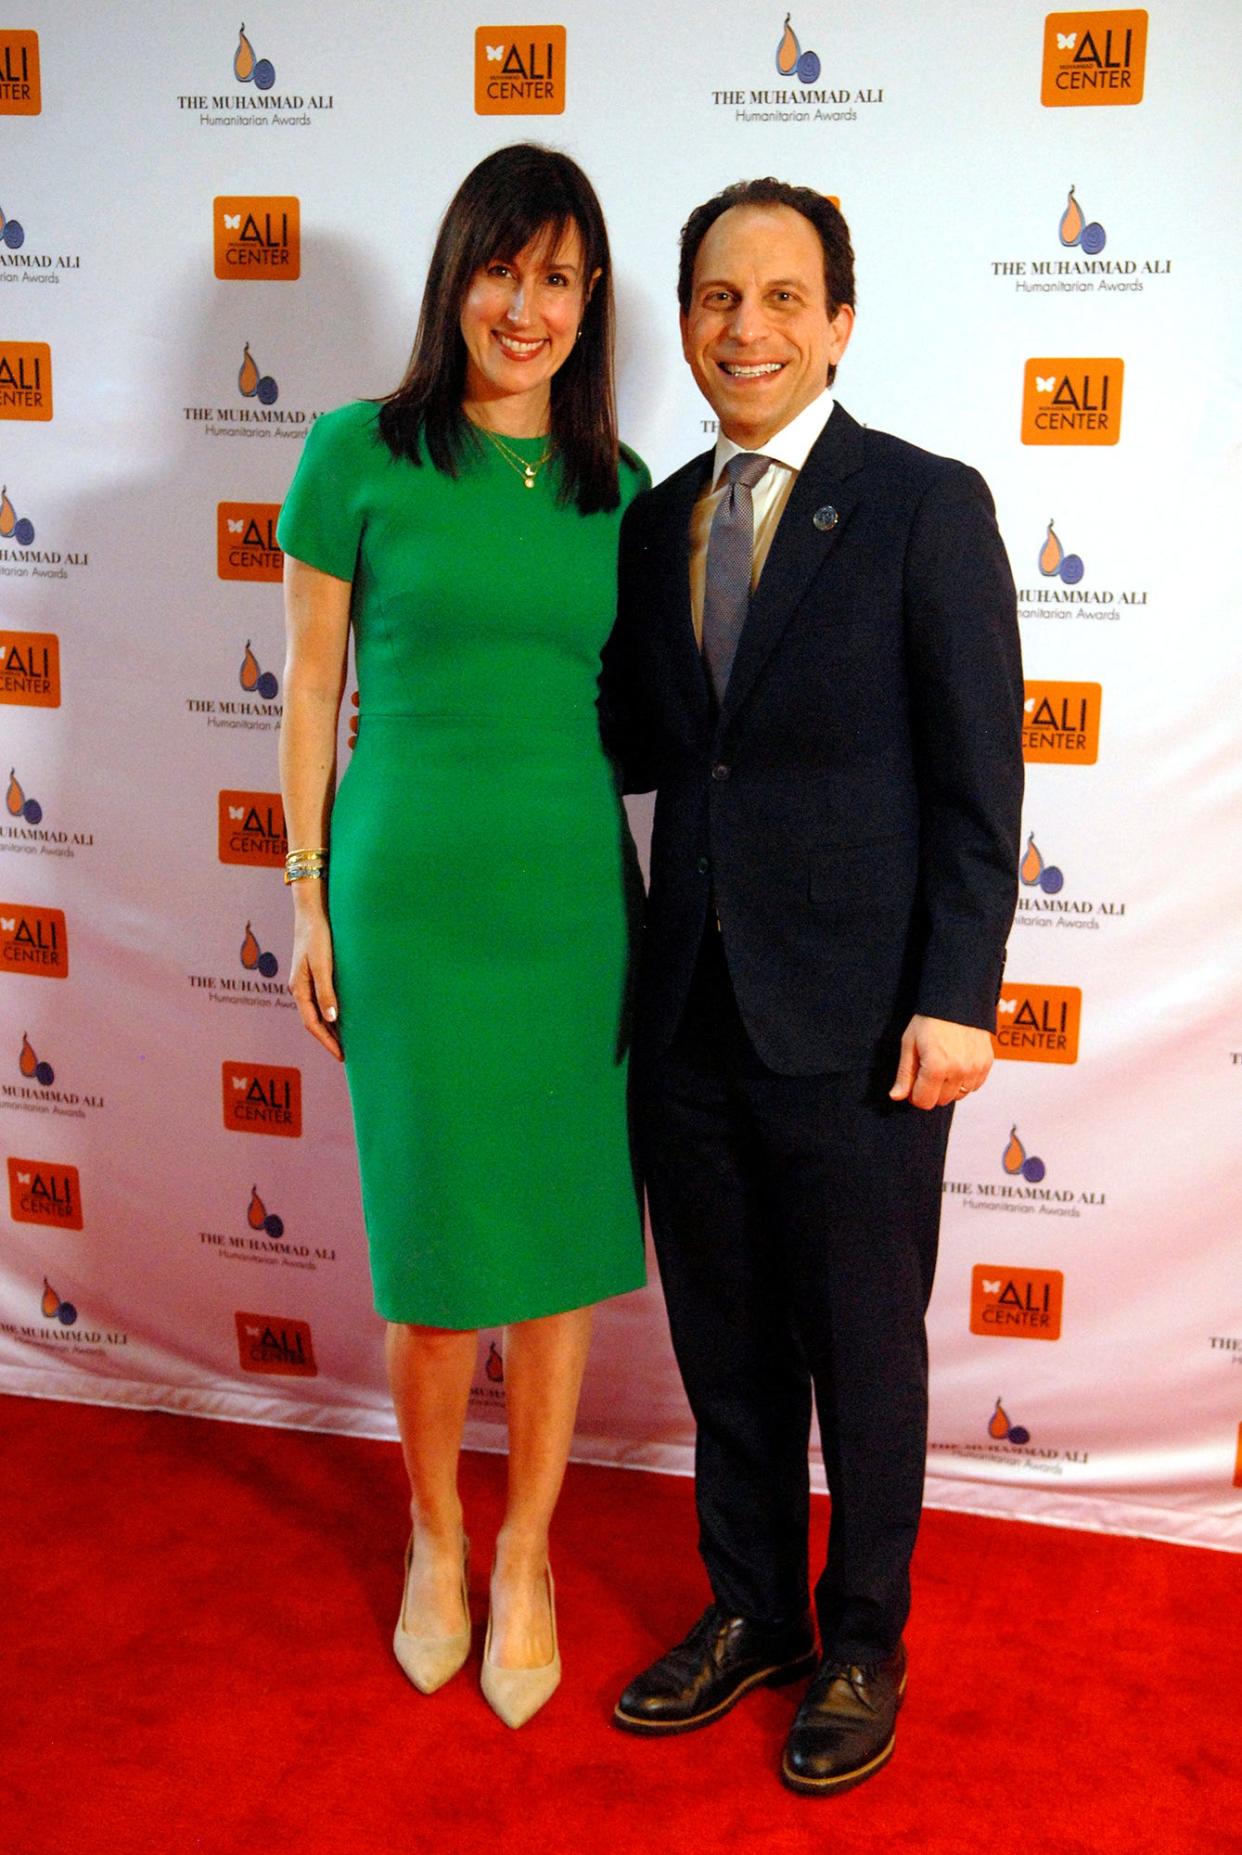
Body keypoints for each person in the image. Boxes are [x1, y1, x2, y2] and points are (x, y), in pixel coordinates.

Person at [599, 179, 1023, 1794]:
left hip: (860, 1027)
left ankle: (860, 1643)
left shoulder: (923, 505)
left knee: (863, 1347)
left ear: (838, 320)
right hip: (688, 1014)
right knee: (724, 1349)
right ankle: (752, 1612)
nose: (746, 328)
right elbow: (638, 743)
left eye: (782, 297)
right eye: (717, 298)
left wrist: (958, 994)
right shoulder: (653, 524)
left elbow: (981, 783)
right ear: (687, 320)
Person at [277, 143, 647, 1730]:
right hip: (408, 904)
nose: (528, 305)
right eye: (506, 268)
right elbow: (307, 686)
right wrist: (301, 888)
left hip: (570, 910)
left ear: (589, 304)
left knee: (555, 1260)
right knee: (432, 1273)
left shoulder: (615, 490)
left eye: (561, 277)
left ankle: (529, 1553)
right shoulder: (354, 453)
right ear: (458, 276)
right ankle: (435, 1536)